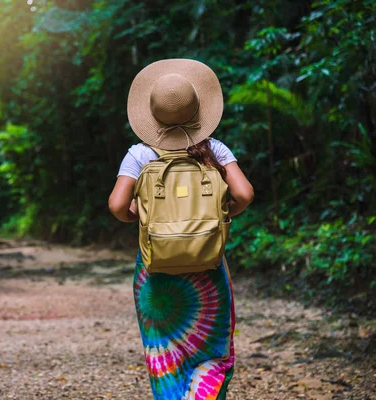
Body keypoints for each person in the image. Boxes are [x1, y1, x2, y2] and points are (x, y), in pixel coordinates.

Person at [108, 59, 254, 400]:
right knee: (212, 351)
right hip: (208, 269)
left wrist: (139, 216)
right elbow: (245, 193)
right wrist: (225, 212)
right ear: (198, 109)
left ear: (152, 113)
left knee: (166, 359)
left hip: (156, 272)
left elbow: (117, 206)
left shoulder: (140, 153)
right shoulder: (214, 149)